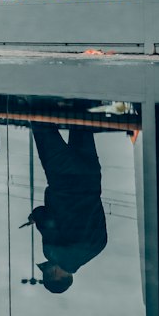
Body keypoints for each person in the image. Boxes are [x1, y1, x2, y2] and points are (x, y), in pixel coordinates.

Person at [25, 124, 107, 293]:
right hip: (64, 180)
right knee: (40, 122)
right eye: (46, 271)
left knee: (79, 117)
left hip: (91, 177)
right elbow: (46, 219)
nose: (46, 266)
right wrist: (35, 217)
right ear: (54, 274)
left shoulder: (98, 247)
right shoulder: (55, 254)